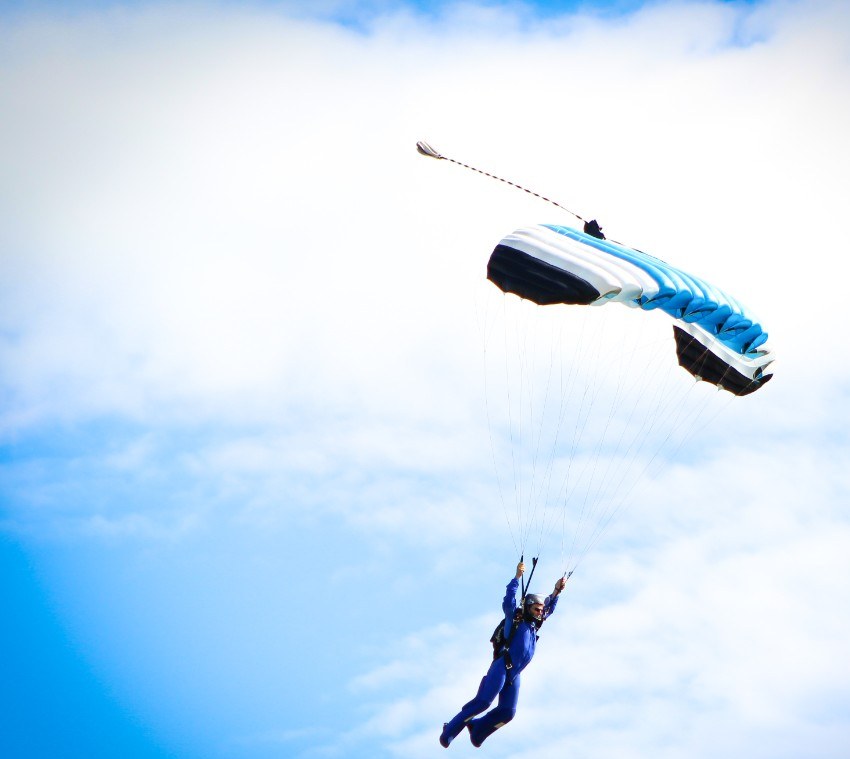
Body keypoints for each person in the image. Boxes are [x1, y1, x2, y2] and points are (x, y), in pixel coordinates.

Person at [439, 562, 567, 748]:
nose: (540, 613)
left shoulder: (535, 625)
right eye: (536, 609)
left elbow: (550, 608)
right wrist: (516, 578)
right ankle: (449, 730)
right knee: (483, 702)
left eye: (541, 611)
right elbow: (508, 600)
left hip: (514, 675)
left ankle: (477, 730)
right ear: (528, 607)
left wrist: (556, 591)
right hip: (502, 666)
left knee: (508, 712)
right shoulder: (515, 619)